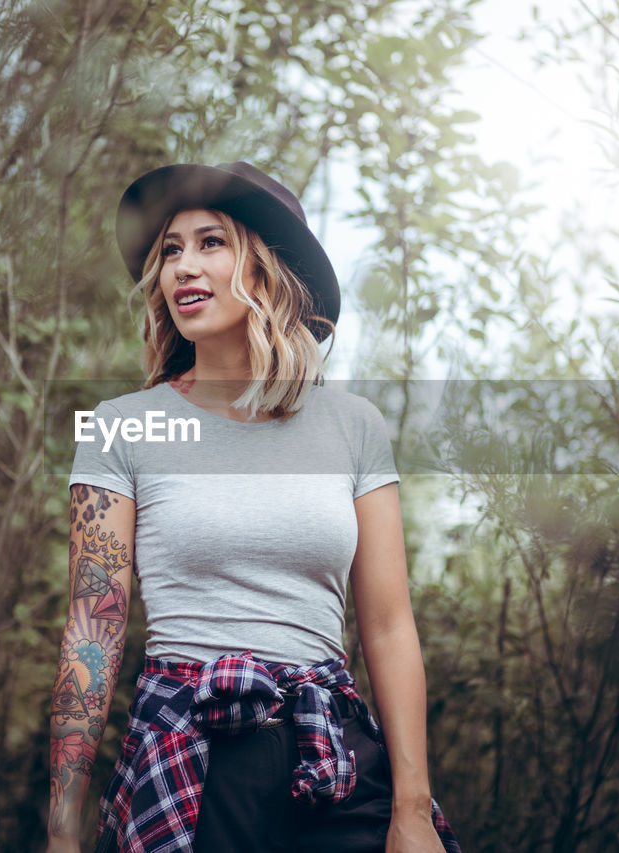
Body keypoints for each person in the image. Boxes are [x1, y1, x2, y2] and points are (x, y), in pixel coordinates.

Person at [47, 161, 461, 853]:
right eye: (170, 250)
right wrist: (63, 825)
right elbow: (93, 629)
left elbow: (388, 625)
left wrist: (411, 810)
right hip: (187, 756)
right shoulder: (122, 427)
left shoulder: (352, 425)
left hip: (332, 749)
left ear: (267, 271)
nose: (182, 265)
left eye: (211, 242)